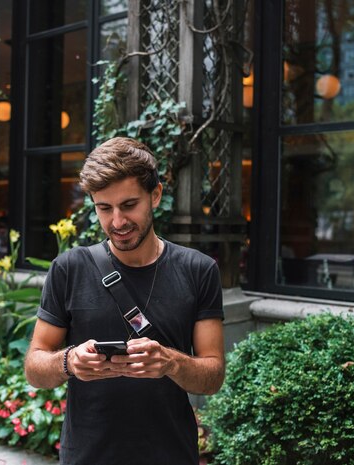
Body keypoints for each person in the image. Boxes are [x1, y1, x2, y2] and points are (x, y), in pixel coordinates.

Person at [24, 137, 225, 465]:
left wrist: (170, 362)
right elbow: (35, 366)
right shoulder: (68, 268)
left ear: (155, 195)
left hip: (171, 455)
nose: (117, 222)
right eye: (104, 208)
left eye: (129, 205)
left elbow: (213, 375)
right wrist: (69, 362)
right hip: (86, 456)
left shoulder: (199, 270)